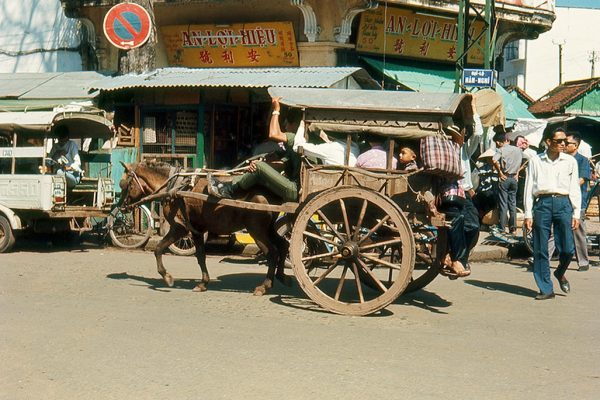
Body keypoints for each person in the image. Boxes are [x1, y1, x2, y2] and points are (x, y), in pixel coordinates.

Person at [207, 97, 358, 201]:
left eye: (287, 124)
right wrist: (267, 166)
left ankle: (229, 190)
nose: (285, 127)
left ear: (294, 125)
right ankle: (230, 185)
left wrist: (276, 109)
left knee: (259, 166)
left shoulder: (297, 139)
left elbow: (273, 133)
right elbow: (284, 163)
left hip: (295, 189)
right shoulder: (309, 145)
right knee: (259, 168)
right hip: (295, 184)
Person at [524, 128, 580, 300]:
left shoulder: (570, 161)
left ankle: (560, 272)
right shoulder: (536, 161)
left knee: (568, 248)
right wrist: (528, 213)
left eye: (565, 141)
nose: (564, 144)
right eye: (559, 141)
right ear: (548, 142)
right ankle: (546, 288)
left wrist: (576, 212)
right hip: (543, 203)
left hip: (564, 204)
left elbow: (574, 188)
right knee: (540, 248)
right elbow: (528, 187)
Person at [564, 132, 592, 272]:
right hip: (561, 201)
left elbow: (582, 179)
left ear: (576, 145)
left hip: (577, 201)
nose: (564, 144)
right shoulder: (562, 160)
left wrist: (567, 187)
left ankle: (583, 261)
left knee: (578, 231)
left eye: (567, 142)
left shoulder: (582, 160)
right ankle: (541, 258)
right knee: (551, 230)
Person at [492, 130, 522, 235]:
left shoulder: (501, 150)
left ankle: (502, 228)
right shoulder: (518, 150)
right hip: (514, 179)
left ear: (501, 142)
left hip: (505, 177)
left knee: (503, 204)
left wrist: (499, 172)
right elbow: (527, 160)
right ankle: (513, 229)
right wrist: (518, 172)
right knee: (512, 204)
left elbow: (494, 160)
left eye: (497, 143)